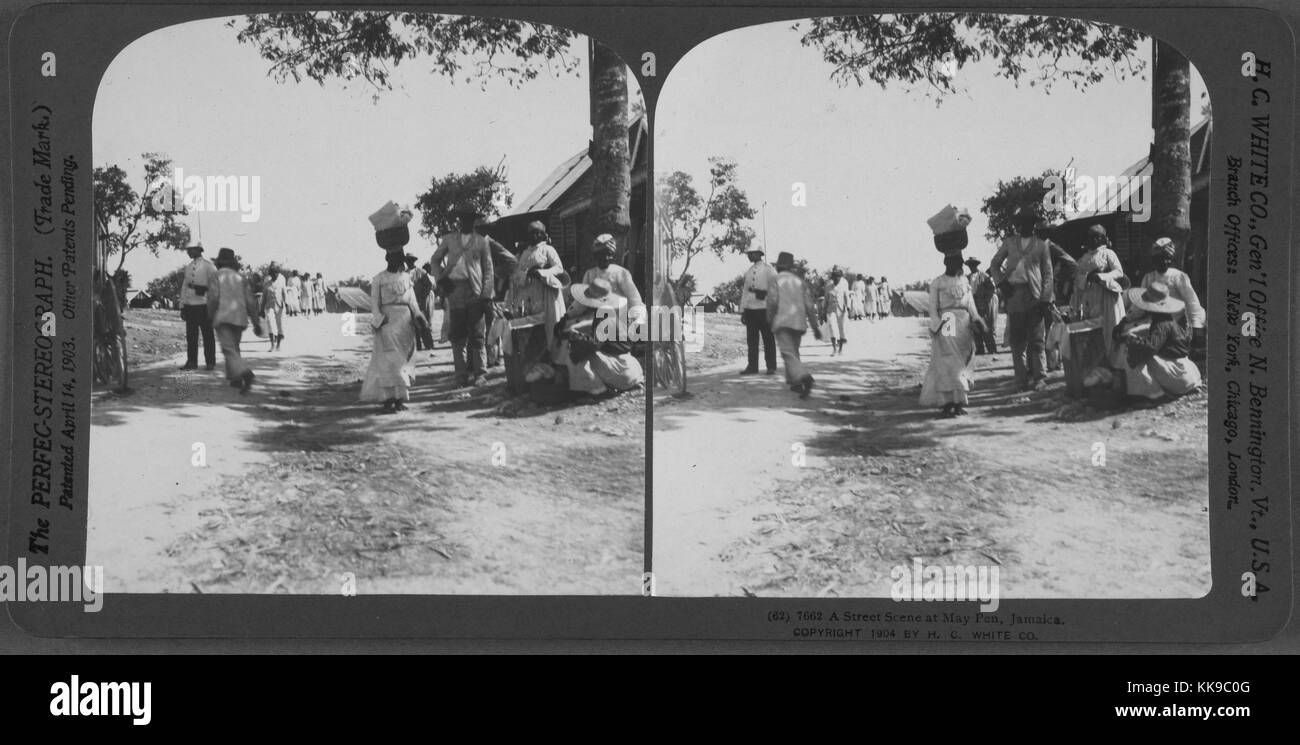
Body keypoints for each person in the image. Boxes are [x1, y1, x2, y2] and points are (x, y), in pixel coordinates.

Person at [988, 208, 1055, 391]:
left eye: (1031, 223)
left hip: (1035, 295)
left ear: (1035, 225)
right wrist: (1001, 283)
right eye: (1024, 223)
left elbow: (1048, 273)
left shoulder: (1041, 245)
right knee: (1018, 340)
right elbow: (994, 264)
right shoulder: (1009, 243)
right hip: (1014, 294)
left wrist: (1045, 298)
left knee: (1037, 338)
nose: (1028, 226)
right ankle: (1020, 379)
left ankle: (1040, 377)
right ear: (1018, 225)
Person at [430, 206, 495, 387]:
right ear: (459, 221)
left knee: (477, 333)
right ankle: (460, 375)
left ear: (475, 221)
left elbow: (488, 270)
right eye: (463, 219)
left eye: (470, 219)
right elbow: (434, 260)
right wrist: (441, 278)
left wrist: (486, 294)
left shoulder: (482, 242)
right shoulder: (449, 239)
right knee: (457, 335)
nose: (466, 222)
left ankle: (480, 373)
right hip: (454, 291)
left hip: (475, 291)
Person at [361, 249, 428, 412]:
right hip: (387, 322)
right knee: (388, 361)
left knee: (404, 361)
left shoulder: (406, 278)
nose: (396, 260)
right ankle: (387, 399)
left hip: (405, 323)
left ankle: (400, 398)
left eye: (399, 257)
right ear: (387, 258)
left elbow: (412, 301)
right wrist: (379, 320)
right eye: (393, 256)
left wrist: (419, 316)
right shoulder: (379, 279)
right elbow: (374, 304)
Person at [1112, 281, 1201, 403]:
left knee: (1133, 351)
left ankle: (1152, 394)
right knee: (1139, 347)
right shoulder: (1169, 321)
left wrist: (1130, 340)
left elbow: (1150, 347)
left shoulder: (1161, 324)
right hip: (1189, 374)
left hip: (1179, 376)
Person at [921, 254, 986, 417]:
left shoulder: (964, 281)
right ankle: (947, 402)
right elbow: (933, 307)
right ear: (946, 263)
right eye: (953, 261)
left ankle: (959, 402)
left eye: (958, 262)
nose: (957, 265)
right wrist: (937, 324)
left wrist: (977, 319)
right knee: (948, 362)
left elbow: (970, 303)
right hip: (947, 321)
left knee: (963, 360)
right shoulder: (938, 282)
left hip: (963, 322)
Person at [556, 277, 644, 396]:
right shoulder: (617, 310)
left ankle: (597, 390)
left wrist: (574, 339)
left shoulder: (603, 314)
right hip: (632, 367)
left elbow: (594, 344)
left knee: (577, 356)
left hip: (621, 371)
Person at [205, 248, 261, 393]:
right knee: (234, 348)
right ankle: (235, 379)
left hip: (223, 317)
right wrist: (256, 322)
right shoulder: (241, 278)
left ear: (219, 263)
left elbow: (213, 298)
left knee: (228, 349)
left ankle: (245, 373)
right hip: (240, 318)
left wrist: (209, 315)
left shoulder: (216, 276)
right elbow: (251, 302)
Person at [767, 251, 822, 399]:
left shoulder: (775, 280)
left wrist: (769, 319)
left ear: (779, 266)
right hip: (798, 323)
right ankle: (795, 383)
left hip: (782, 321)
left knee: (788, 353)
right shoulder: (799, 281)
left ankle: (804, 377)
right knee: (794, 352)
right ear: (790, 267)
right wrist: (815, 327)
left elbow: (772, 302)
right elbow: (810, 306)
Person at [507, 221, 568, 353]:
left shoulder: (548, 250)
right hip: (529, 293)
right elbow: (516, 274)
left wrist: (541, 272)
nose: (534, 236)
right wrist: (527, 274)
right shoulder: (524, 253)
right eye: (531, 233)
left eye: (537, 233)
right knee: (533, 328)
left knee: (550, 325)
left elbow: (559, 268)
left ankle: (555, 356)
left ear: (542, 235)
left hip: (547, 293)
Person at [1069, 224, 1126, 359]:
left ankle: (1116, 361)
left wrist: (1101, 276)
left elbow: (1119, 272)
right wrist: (1087, 278)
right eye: (1091, 238)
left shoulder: (1108, 254)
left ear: (1102, 239)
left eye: (1097, 237)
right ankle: (1101, 364)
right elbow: (1077, 281)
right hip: (1091, 298)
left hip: (1108, 297)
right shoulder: (1083, 259)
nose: (1093, 240)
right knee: (1095, 332)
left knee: (1111, 329)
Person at [1141, 237, 1205, 349]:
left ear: (1171, 259)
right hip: (1155, 325)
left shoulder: (1178, 277)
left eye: (1167, 258)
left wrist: (1197, 327)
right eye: (1160, 258)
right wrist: (1126, 320)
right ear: (1154, 260)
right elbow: (1141, 304)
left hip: (1177, 325)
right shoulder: (1148, 278)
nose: (1164, 262)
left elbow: (1192, 302)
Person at [582, 234, 645, 324]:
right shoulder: (589, 274)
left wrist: (638, 320)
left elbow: (634, 298)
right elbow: (581, 299)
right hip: (599, 319)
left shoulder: (620, 273)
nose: (606, 258)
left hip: (620, 319)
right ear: (595, 256)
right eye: (602, 255)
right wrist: (568, 315)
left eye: (609, 254)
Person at [179, 244, 219, 371]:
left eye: (190, 250)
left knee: (208, 335)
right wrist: (182, 306)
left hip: (205, 305)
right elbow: (184, 287)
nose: (188, 252)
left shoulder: (209, 266)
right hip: (190, 305)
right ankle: (192, 361)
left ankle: (210, 362)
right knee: (191, 335)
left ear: (198, 250)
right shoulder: (189, 267)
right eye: (188, 250)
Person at [739, 247, 778, 375]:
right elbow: (745, 291)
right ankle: (752, 366)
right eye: (748, 254)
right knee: (752, 340)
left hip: (765, 308)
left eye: (751, 254)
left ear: (758, 254)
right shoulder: (749, 271)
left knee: (768, 339)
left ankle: (771, 366)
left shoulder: (769, 269)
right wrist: (743, 310)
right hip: (751, 309)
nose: (749, 256)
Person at [965, 258, 998, 355]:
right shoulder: (967, 278)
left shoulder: (984, 276)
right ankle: (980, 349)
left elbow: (992, 289)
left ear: (976, 265)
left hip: (982, 304)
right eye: (970, 265)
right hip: (972, 304)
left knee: (985, 326)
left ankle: (992, 349)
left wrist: (985, 300)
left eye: (973, 265)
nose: (972, 267)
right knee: (975, 328)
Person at [824, 268, 850, 355]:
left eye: (838, 277)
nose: (836, 279)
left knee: (841, 328)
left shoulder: (843, 286)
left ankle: (841, 349)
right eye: (835, 277)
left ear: (840, 277)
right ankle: (834, 349)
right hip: (830, 309)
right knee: (831, 326)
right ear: (832, 278)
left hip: (841, 309)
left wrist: (848, 307)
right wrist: (823, 312)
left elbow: (847, 297)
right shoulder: (828, 287)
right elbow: (826, 299)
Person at [261, 264, 286, 351]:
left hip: (279, 307)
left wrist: (286, 305)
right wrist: (261, 309)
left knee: (280, 326)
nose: (275, 274)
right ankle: (272, 345)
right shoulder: (267, 284)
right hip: (269, 306)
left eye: (276, 273)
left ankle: (278, 345)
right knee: (270, 322)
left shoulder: (281, 283)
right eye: (273, 273)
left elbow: (284, 294)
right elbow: (263, 298)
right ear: (270, 274)